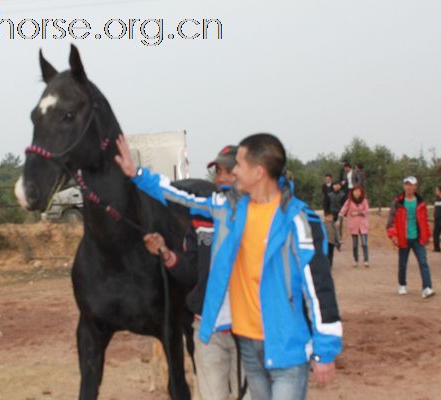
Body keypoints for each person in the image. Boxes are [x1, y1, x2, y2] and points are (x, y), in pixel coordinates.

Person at [115, 133, 342, 400]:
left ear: (258, 172)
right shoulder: (229, 208)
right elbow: (179, 196)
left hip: (286, 347)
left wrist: (325, 351)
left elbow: (319, 288)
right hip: (247, 343)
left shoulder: (300, 220)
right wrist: (137, 174)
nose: (233, 171)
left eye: (239, 164)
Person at [143, 145, 251, 400]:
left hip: (249, 331)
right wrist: (167, 254)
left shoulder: (259, 216)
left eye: (229, 171)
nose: (222, 177)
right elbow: (191, 272)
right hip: (207, 329)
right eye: (218, 171)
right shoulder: (201, 217)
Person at [386, 176, 435, 299]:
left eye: (411, 185)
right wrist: (393, 235)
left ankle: (427, 288)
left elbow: (424, 221)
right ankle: (402, 284)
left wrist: (427, 235)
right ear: (404, 186)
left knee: (423, 263)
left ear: (415, 187)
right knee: (403, 263)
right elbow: (391, 221)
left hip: (418, 237)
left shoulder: (421, 203)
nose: (409, 187)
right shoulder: (397, 203)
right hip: (403, 237)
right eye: (407, 184)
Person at [339, 186, 370, 268]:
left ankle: (366, 260)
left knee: (364, 243)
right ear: (352, 192)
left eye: (359, 191)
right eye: (355, 191)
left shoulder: (364, 201)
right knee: (355, 244)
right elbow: (343, 210)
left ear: (361, 192)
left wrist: (357, 213)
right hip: (353, 225)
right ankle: (355, 260)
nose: (357, 193)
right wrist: (339, 218)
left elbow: (366, 211)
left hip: (363, 224)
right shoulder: (349, 201)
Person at [325, 181, 346, 267]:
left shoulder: (343, 195)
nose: (336, 186)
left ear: (340, 186)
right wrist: (327, 214)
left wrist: (343, 214)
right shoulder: (329, 195)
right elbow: (326, 205)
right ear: (333, 186)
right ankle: (333, 243)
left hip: (339, 213)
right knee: (330, 229)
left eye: (337, 185)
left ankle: (338, 243)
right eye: (334, 185)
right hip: (331, 213)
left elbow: (344, 205)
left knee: (338, 228)